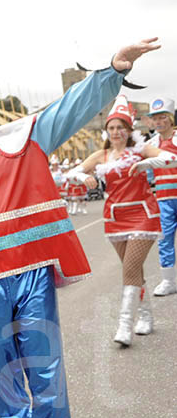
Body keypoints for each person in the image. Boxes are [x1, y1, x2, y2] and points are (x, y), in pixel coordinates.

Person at [0, 36, 159, 418]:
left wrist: (110, 72)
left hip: (29, 275)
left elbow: (70, 107)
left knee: (44, 364)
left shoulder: (23, 137)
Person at [67, 96, 177, 347]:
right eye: (112, 127)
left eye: (121, 127)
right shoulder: (101, 155)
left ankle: (125, 325)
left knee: (129, 268)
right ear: (107, 130)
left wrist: (147, 163)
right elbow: (70, 176)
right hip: (115, 218)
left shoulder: (140, 150)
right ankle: (146, 317)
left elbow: (172, 159)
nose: (116, 132)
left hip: (143, 215)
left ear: (129, 130)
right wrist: (83, 179)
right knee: (134, 271)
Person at [146, 97, 177, 296]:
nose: (158, 122)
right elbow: (148, 173)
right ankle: (169, 281)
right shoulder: (151, 144)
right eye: (154, 118)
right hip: (164, 199)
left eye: (162, 117)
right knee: (164, 239)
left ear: (170, 118)